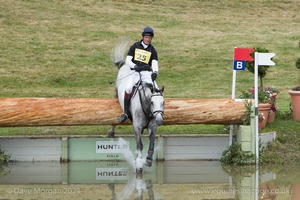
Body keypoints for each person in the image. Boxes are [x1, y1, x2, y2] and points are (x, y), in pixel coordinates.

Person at [119, 26, 159, 123]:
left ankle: (157, 113)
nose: (148, 39)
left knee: (157, 90)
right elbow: (128, 60)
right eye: (146, 37)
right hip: (134, 72)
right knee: (128, 87)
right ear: (143, 37)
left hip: (146, 73)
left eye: (149, 38)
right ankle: (125, 112)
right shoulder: (135, 46)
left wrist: (155, 72)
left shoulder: (152, 50)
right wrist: (135, 66)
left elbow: (154, 62)